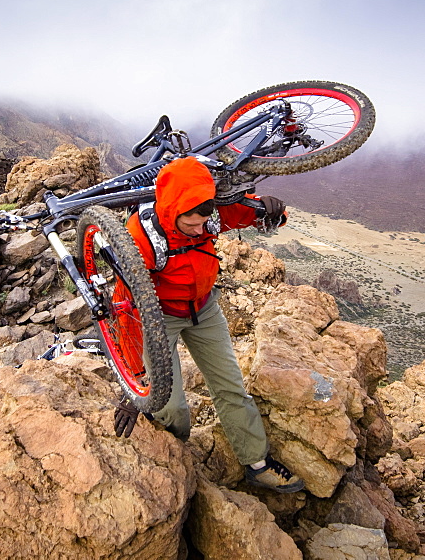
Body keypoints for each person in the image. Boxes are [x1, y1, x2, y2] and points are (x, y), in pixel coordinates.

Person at [113, 156, 304, 494]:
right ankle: (178, 455)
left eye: (205, 221)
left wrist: (275, 212)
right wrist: (135, 385)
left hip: (204, 309)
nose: (201, 229)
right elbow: (126, 306)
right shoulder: (139, 236)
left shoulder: (208, 212)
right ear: (172, 211)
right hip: (158, 317)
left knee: (231, 387)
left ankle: (256, 463)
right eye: (192, 223)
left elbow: (250, 212)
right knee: (170, 407)